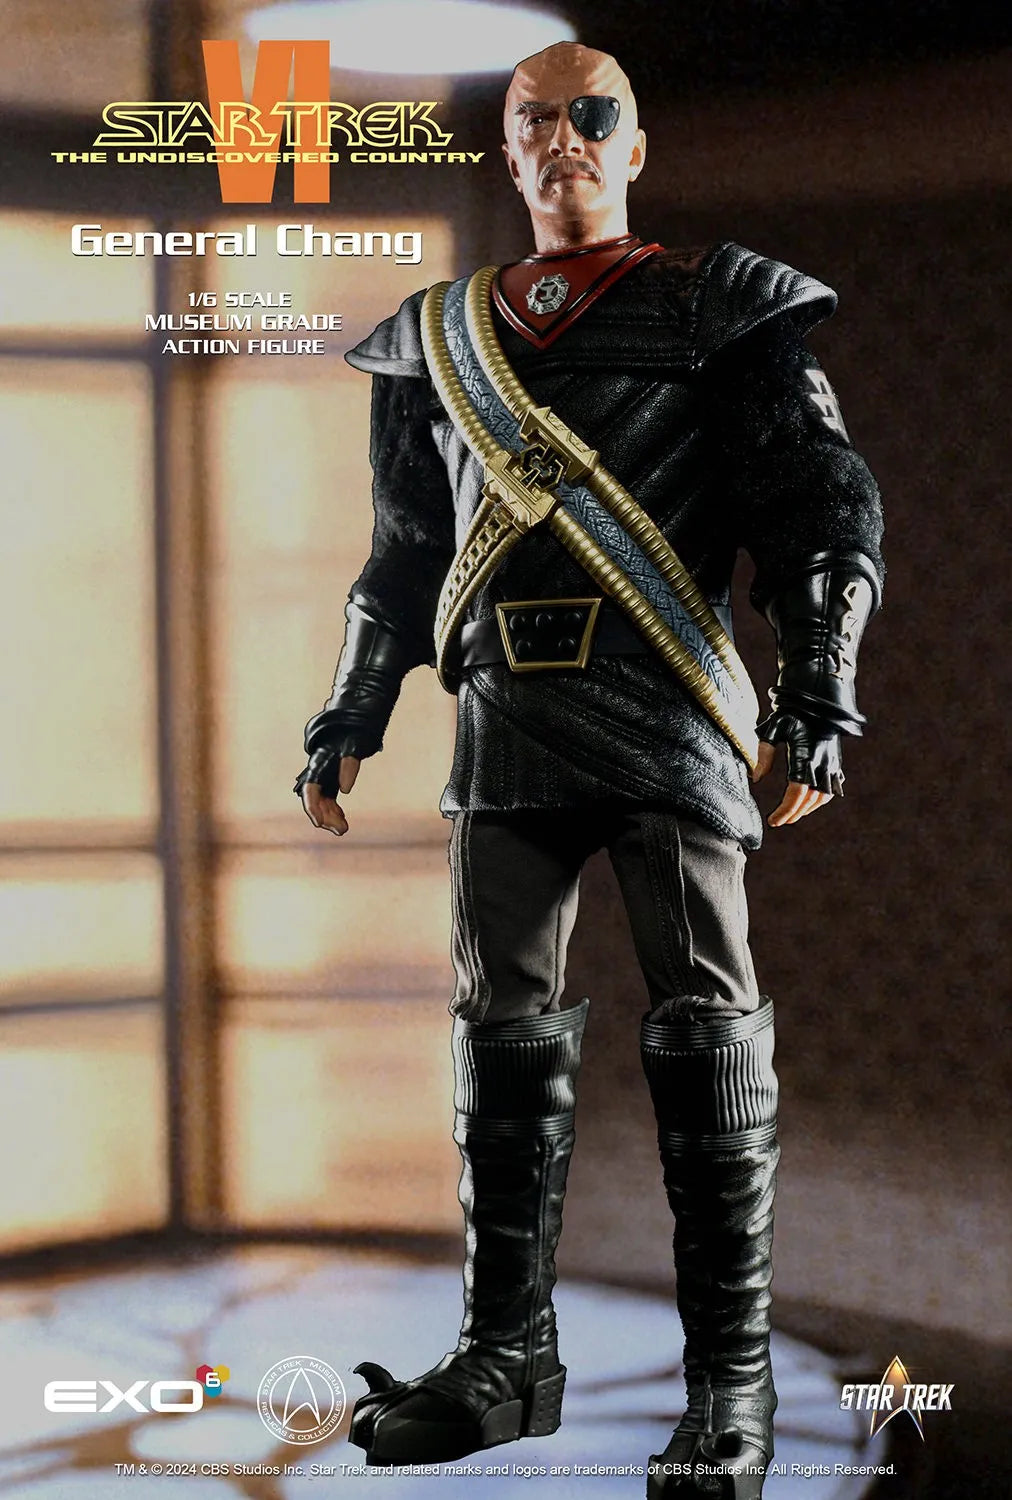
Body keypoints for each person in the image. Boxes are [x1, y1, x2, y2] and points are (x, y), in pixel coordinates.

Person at [296, 41, 883, 1500]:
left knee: (707, 1035)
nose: (564, 137)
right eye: (535, 120)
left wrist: (817, 690)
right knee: (498, 1033)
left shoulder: (721, 306)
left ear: (634, 144)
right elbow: (404, 555)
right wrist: (352, 708)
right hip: (505, 722)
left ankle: (729, 1388)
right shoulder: (438, 341)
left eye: (591, 114)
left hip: (670, 717)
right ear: (508, 151)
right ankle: (507, 1358)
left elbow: (819, 511)